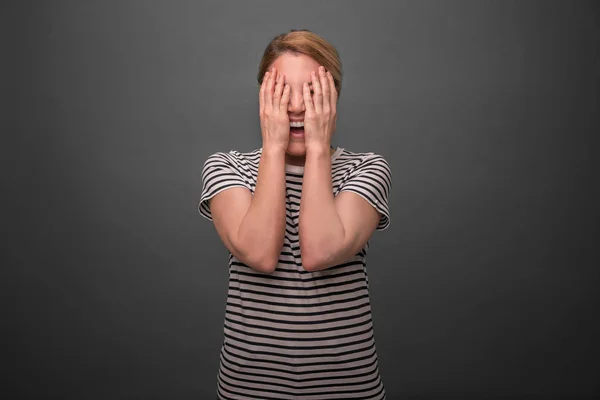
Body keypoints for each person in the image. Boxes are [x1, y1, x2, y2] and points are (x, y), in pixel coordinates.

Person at [198, 29, 391, 400]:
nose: (298, 106)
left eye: (313, 91)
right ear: (263, 97)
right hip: (249, 388)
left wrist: (319, 149)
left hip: (348, 387)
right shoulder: (227, 168)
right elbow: (259, 254)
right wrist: (273, 147)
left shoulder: (366, 169)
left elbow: (321, 251)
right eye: (283, 91)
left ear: (334, 97)